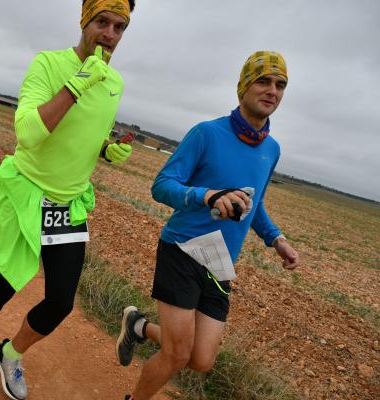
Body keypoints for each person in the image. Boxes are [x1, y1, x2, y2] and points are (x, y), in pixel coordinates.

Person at [0, 1, 136, 399]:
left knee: (61, 302)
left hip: (69, 204)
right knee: (5, 284)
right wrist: (76, 84)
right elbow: (29, 135)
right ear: (84, 22)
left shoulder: (114, 82)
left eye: (119, 27)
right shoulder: (48, 64)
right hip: (29, 193)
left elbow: (84, 134)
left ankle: (10, 353)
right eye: (102, 22)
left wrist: (107, 149)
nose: (110, 34)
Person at [116, 51, 300, 400]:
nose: (272, 90)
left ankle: (138, 326)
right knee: (176, 354)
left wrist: (277, 240)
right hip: (182, 248)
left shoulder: (271, 150)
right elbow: (162, 185)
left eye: (280, 85)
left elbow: (255, 202)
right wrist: (206, 196)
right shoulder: (206, 133)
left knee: (200, 360)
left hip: (219, 262)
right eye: (263, 81)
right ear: (244, 86)